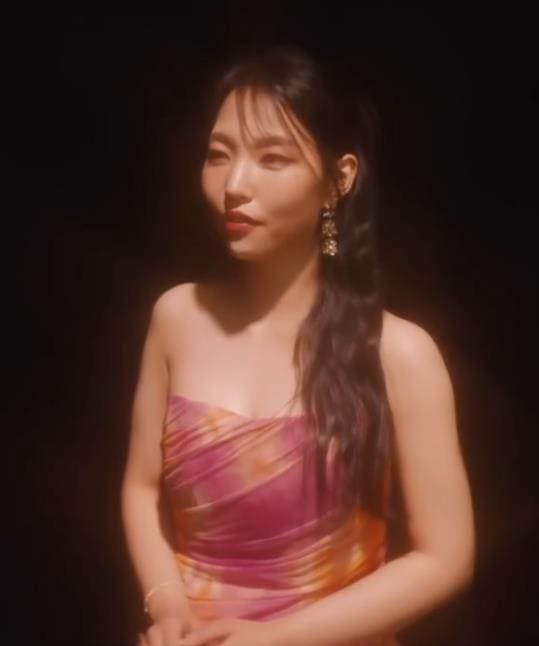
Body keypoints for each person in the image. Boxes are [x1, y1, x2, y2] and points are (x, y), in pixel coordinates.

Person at [121, 45, 475, 646]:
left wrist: (277, 638)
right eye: (218, 155)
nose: (234, 185)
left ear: (339, 180)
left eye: (273, 159)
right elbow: (140, 488)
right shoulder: (176, 317)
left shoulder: (399, 353)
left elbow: (445, 557)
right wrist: (168, 604)